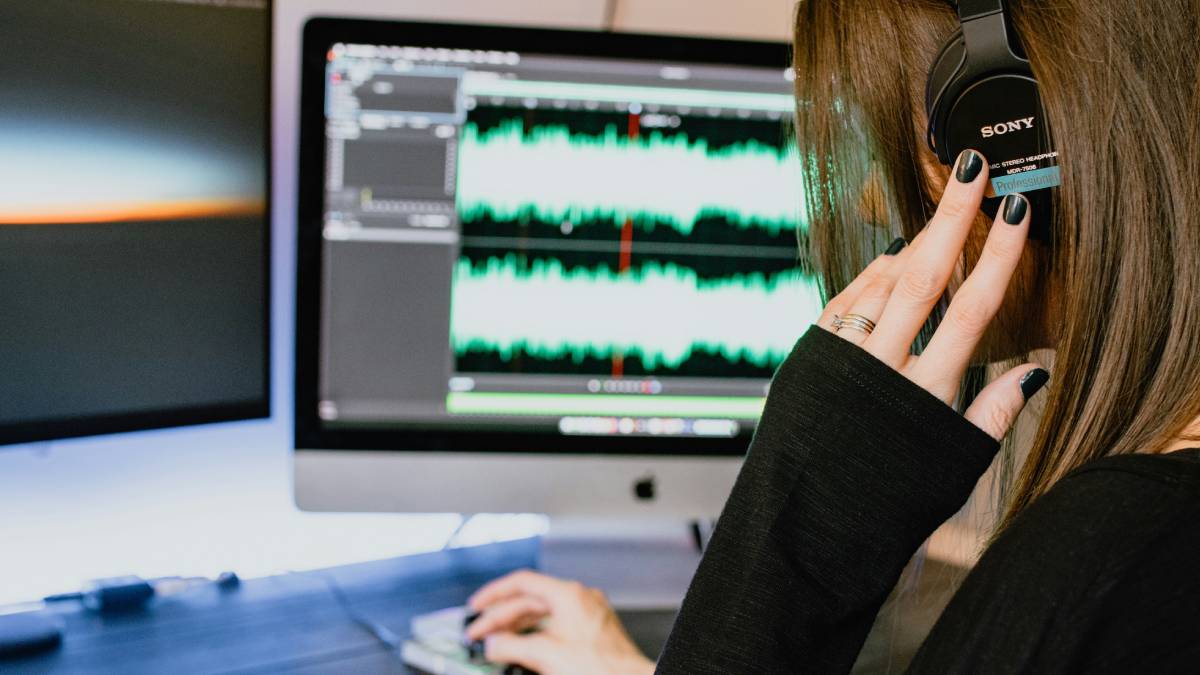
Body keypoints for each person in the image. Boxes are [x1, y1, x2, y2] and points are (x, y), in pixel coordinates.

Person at [464, 0, 1200, 672]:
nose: (872, 202)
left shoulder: (1107, 555)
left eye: (905, 141)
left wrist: (802, 524)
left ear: (1014, 133)